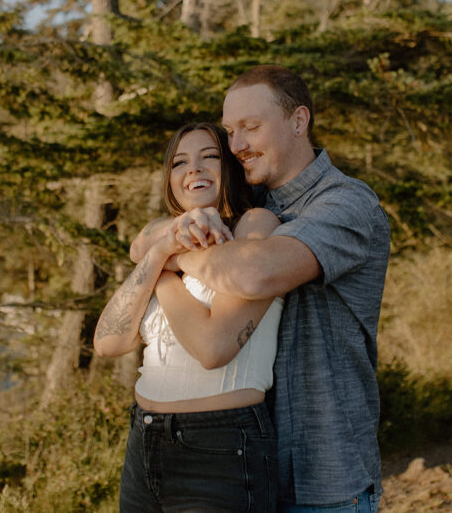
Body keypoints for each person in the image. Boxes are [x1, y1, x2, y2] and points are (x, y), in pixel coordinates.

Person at [130, 65, 390, 512]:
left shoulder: (346, 203)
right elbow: (144, 236)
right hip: (246, 468)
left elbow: (254, 275)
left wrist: (168, 255)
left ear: (298, 120)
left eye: (251, 128)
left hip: (324, 475)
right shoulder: (253, 205)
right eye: (231, 132)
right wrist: (162, 236)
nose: (237, 146)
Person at [94, 121, 283, 512]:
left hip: (221, 448)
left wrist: (163, 268)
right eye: (179, 162)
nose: (193, 169)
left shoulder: (255, 227)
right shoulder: (161, 237)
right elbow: (108, 342)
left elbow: (213, 348)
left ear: (229, 167)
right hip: (144, 442)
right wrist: (162, 250)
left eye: (209, 157)